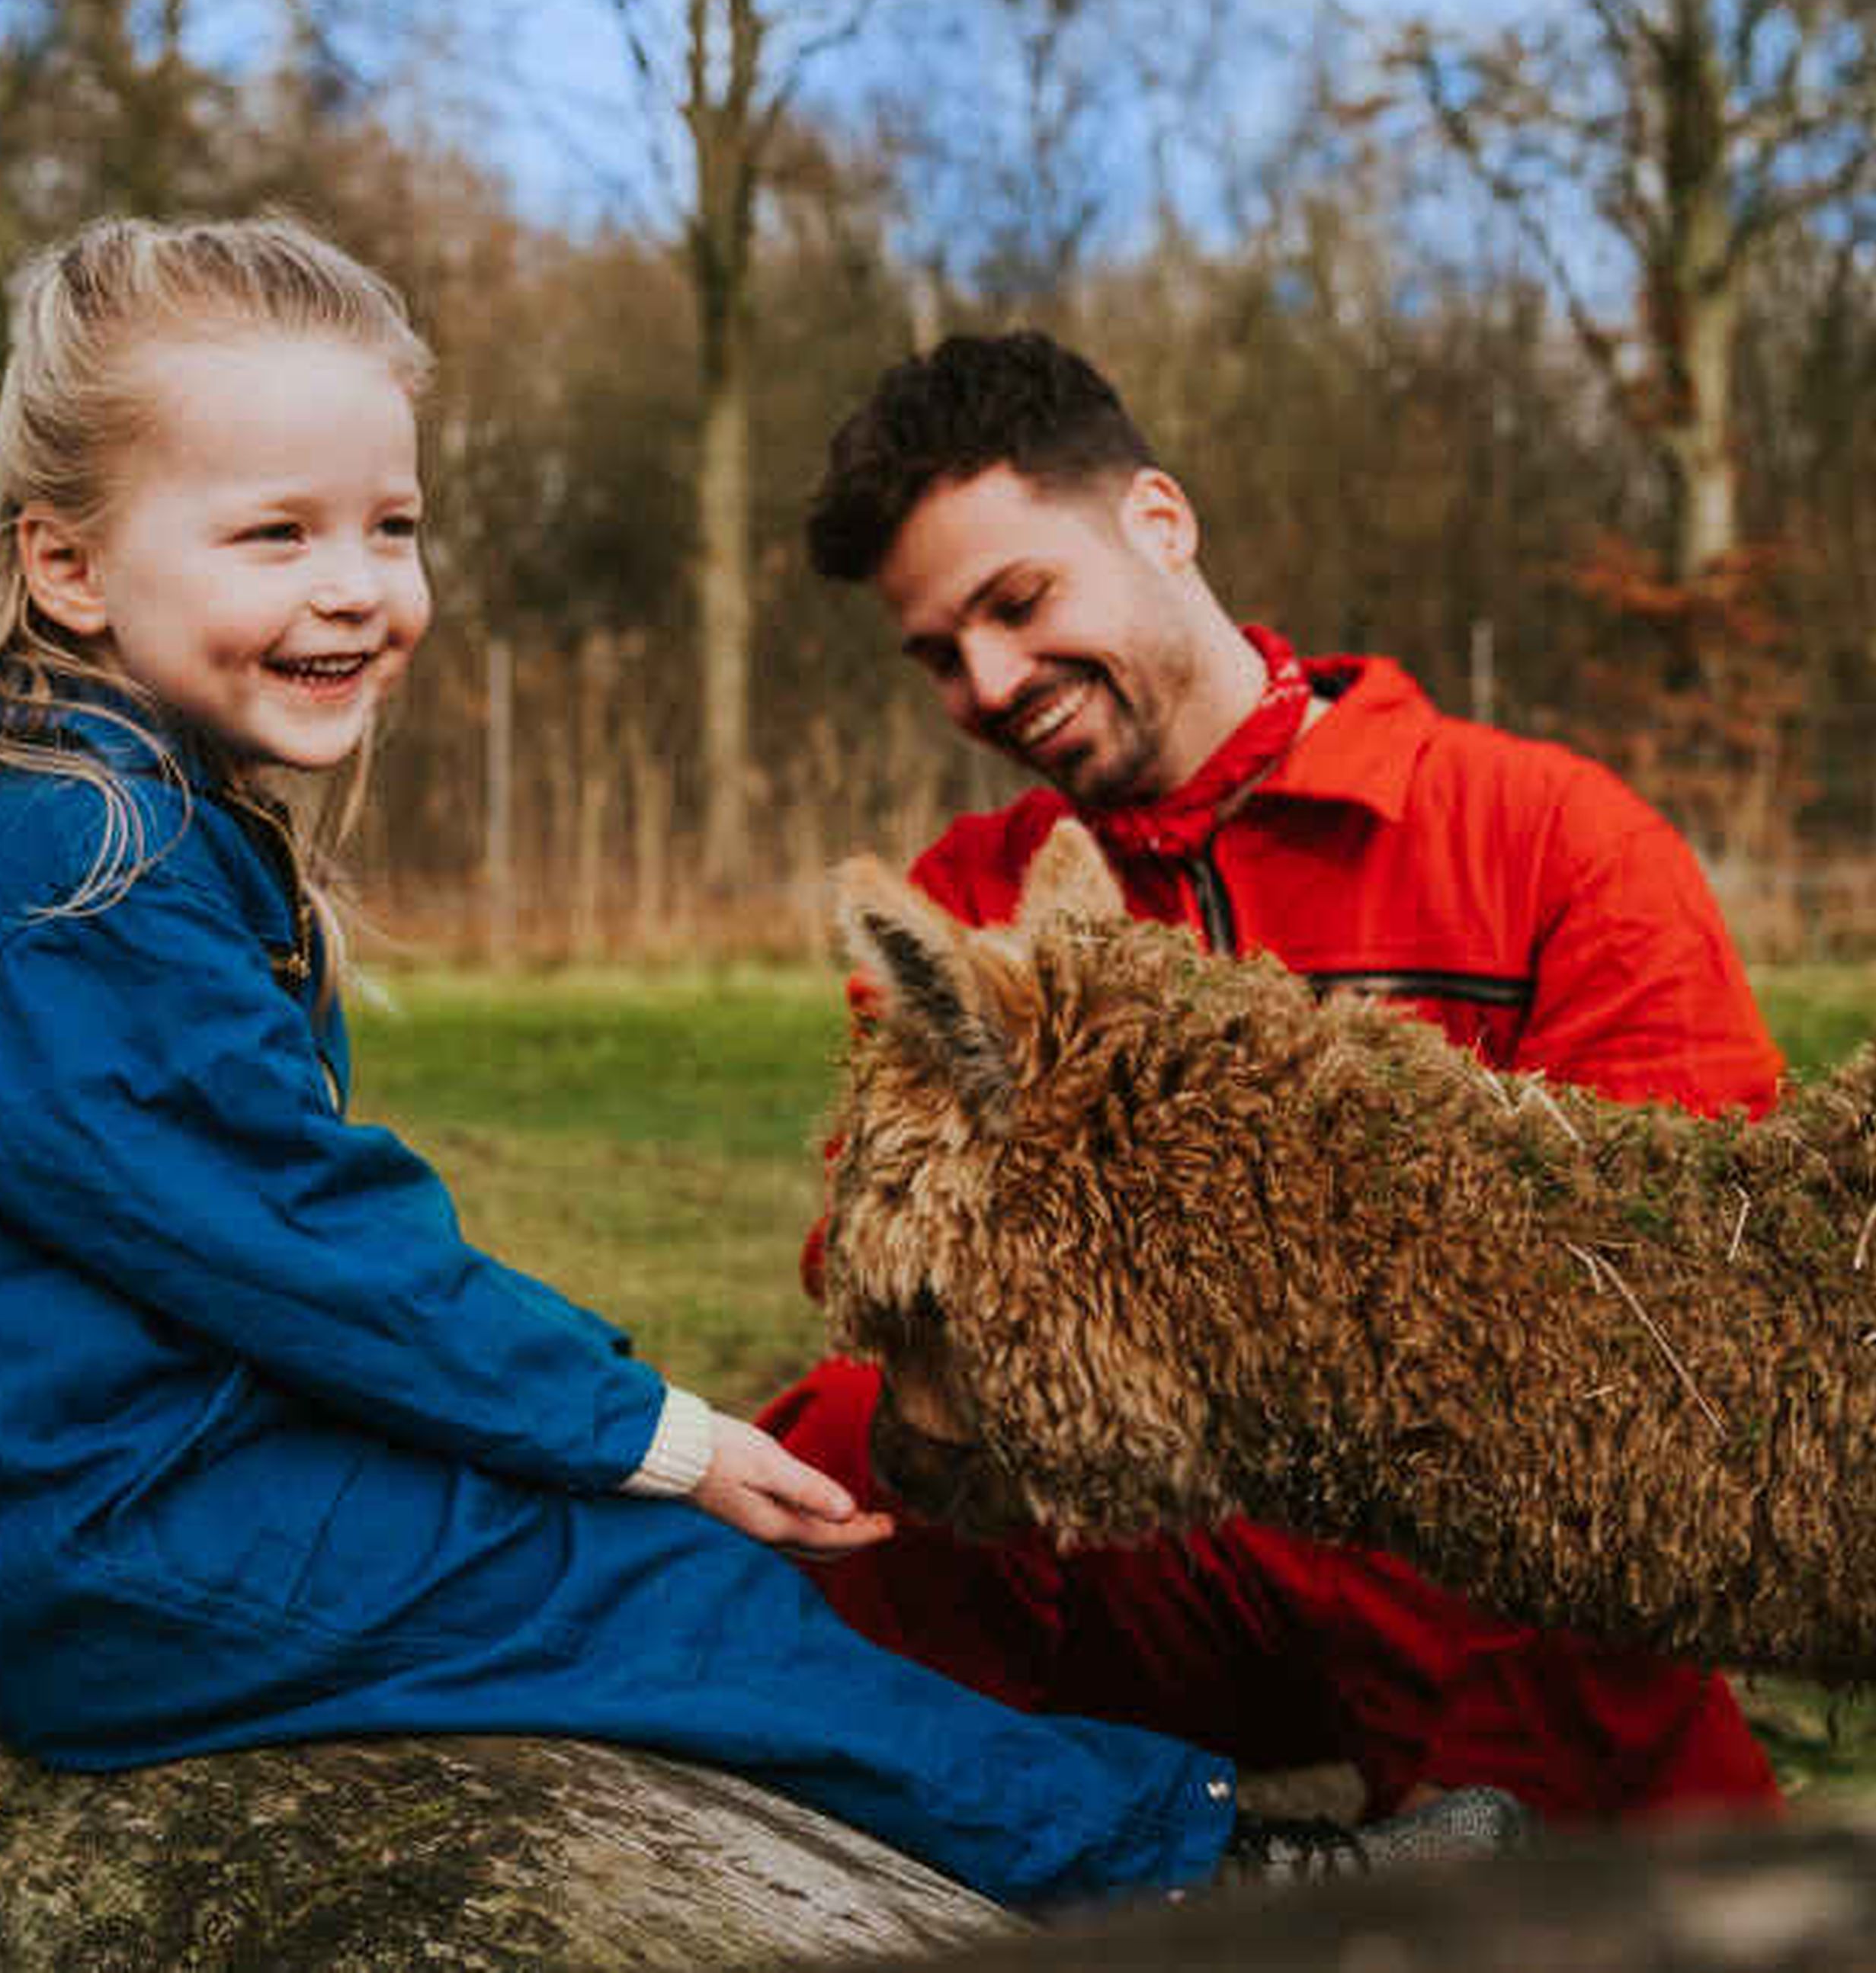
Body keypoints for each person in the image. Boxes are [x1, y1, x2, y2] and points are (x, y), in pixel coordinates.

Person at [0, 215, 1509, 1912]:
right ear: (68, 566)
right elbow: (305, 1241)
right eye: (273, 535)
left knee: (632, 1544)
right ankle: (1177, 1870)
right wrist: (646, 1435)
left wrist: (577, 1437)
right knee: (658, 1586)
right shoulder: (72, 865)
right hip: (97, 1543)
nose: (356, 590)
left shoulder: (114, 821)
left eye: (390, 527)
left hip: (119, 1484)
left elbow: (237, 1243)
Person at [762, 328, 1790, 1827]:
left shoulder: (1546, 840)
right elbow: (882, 1264)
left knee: (1609, 1544)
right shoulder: (972, 900)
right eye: (938, 655)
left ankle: (1498, 1839)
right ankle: (1051, 1839)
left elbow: (1678, 1285)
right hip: (1141, 1534)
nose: (987, 683)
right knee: (852, 1441)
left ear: (1159, 521)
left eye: (1019, 603)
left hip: (1485, 1562)